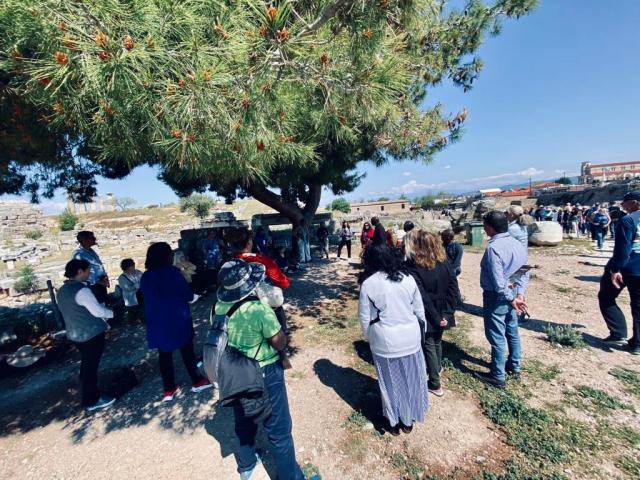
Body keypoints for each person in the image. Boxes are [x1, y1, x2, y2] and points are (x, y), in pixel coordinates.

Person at [215, 259, 306, 480]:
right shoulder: (258, 309)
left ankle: (246, 465)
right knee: (279, 431)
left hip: (235, 373)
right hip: (264, 372)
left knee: (243, 419)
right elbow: (279, 342)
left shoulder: (218, 308)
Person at [358, 243, 429, 434]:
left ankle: (393, 420)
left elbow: (365, 318)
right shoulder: (407, 279)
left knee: (389, 382)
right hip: (410, 339)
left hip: (385, 341)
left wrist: (370, 338)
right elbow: (419, 311)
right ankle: (409, 419)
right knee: (412, 379)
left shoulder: (368, 284)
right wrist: (420, 331)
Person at [140, 242, 212, 402]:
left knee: (164, 355)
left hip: (157, 322)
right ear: (166, 256)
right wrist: (197, 295)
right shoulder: (172, 273)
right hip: (176, 319)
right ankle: (197, 381)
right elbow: (187, 295)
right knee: (187, 351)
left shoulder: (145, 276)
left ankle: (168, 388)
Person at [475, 211, 528, 388]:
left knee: (496, 335)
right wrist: (519, 294)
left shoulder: (493, 248)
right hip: (513, 294)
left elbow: (498, 282)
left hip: (497, 297)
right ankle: (514, 365)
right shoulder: (517, 243)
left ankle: (498, 375)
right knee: (512, 331)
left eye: (484, 226)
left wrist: (511, 298)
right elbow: (524, 272)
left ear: (489, 227)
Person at [404, 231, 458, 397]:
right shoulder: (445, 262)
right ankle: (438, 368)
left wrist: (436, 318)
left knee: (428, 344)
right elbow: (454, 290)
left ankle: (434, 383)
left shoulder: (413, 267)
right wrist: (447, 315)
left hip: (429, 311)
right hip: (442, 309)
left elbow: (422, 298)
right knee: (437, 341)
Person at [57, 259, 115, 411]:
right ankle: (91, 400)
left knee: (87, 366)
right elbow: (97, 311)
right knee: (90, 368)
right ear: (80, 271)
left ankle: (90, 394)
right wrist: (112, 313)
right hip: (90, 334)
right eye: (88, 270)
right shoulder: (82, 290)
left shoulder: (62, 290)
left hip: (75, 334)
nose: (89, 273)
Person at [598, 191, 640, 354]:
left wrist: (615, 269)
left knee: (606, 296)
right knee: (638, 306)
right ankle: (637, 344)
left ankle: (618, 333)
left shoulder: (628, 220)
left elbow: (623, 249)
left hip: (629, 266)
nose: (623, 206)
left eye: (625, 203)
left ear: (635, 203)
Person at [228, 229, 291, 333]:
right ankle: (282, 333)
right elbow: (282, 282)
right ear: (249, 243)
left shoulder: (230, 262)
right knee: (277, 305)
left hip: (236, 299)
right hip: (259, 298)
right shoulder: (260, 259)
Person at [72, 231, 109, 305]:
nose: (95, 239)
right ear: (84, 240)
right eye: (92, 238)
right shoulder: (79, 255)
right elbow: (80, 273)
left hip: (101, 283)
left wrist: (105, 277)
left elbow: (98, 266)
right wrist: (97, 282)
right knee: (98, 308)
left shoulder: (91, 251)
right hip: (92, 286)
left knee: (104, 305)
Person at [117, 258, 143, 323]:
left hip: (140, 296)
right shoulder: (122, 278)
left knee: (141, 308)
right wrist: (136, 286)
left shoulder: (138, 272)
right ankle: (133, 321)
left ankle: (141, 318)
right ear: (127, 268)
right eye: (132, 266)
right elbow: (127, 288)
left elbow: (144, 280)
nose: (134, 268)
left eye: (134, 265)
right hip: (131, 298)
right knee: (132, 311)